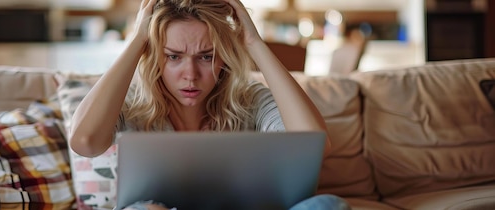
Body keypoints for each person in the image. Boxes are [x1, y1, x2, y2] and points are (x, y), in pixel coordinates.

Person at [69, 0, 351, 209]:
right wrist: (137, 40)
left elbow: (315, 144)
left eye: (206, 56)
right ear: (154, 57)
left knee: (328, 206)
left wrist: (254, 42)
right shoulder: (131, 103)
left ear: (223, 59)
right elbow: (84, 141)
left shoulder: (249, 100)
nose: (190, 75)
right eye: (173, 56)